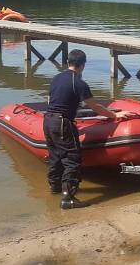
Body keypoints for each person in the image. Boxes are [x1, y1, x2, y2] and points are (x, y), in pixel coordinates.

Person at [44, 49, 131, 209]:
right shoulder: (79, 82)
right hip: (63, 122)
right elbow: (95, 106)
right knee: (72, 159)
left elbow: (50, 100)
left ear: (68, 62)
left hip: (48, 120)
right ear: (83, 65)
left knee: (55, 156)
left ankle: (55, 188)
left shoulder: (56, 78)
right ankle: (68, 198)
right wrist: (115, 116)